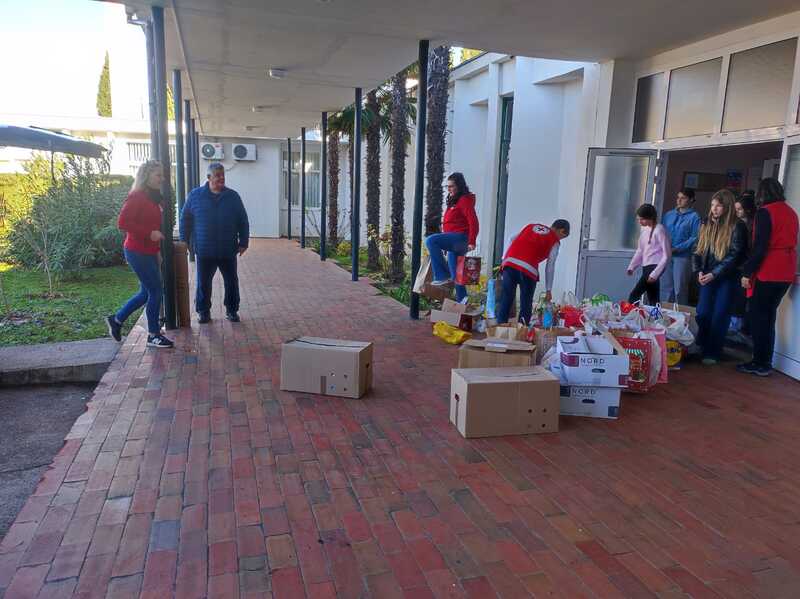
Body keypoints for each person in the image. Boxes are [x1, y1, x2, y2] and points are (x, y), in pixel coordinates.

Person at [106, 161, 174, 348]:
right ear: (146, 176)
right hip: (137, 252)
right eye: (158, 175)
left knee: (146, 293)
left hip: (149, 251)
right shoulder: (137, 196)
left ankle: (116, 320)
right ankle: (153, 335)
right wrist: (149, 233)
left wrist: (156, 251)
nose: (162, 178)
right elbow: (122, 223)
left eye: (162, 175)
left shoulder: (154, 197)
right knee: (156, 291)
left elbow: (153, 225)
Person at [737, 178, 799, 377]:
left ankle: (760, 362)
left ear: (762, 193)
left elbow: (760, 246)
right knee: (768, 317)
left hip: (769, 269)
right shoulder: (791, 212)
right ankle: (765, 361)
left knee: (759, 318)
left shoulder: (765, 212)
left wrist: (747, 272)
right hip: (786, 269)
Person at [180, 162, 250, 323]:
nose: (221, 178)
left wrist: (244, 242)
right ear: (208, 177)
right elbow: (185, 220)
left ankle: (232, 310)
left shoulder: (233, 197)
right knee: (203, 284)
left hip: (228, 249)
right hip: (204, 250)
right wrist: (184, 241)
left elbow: (243, 220)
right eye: (218, 175)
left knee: (231, 282)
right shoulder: (195, 196)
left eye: (223, 175)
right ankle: (203, 312)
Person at [692, 190, 748, 365]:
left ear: (727, 207)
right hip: (707, 274)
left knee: (720, 314)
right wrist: (698, 270)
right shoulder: (706, 222)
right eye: (712, 205)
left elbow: (735, 255)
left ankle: (713, 351)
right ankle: (702, 344)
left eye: (718, 205)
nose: (714, 209)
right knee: (702, 312)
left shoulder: (737, 226)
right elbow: (697, 248)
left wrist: (714, 273)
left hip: (727, 277)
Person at [497, 220, 570, 325]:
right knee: (526, 302)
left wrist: (504, 258)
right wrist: (548, 290)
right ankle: (522, 329)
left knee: (506, 298)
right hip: (529, 268)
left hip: (509, 263)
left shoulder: (531, 226)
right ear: (562, 231)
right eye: (563, 237)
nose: (560, 239)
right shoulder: (555, 241)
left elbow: (511, 238)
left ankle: (500, 328)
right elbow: (550, 266)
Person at [425, 172, 479, 302]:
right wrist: (445, 245)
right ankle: (463, 303)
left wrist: (472, 241)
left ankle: (442, 275)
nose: (449, 189)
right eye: (447, 186)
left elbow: (473, 221)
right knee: (457, 276)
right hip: (454, 241)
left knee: (431, 241)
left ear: (459, 186)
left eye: (452, 186)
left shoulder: (464, 200)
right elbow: (451, 224)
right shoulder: (454, 200)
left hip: (460, 239)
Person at [661, 188, 701, 305]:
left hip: (682, 256)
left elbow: (695, 238)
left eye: (683, 198)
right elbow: (662, 232)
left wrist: (677, 248)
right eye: (678, 197)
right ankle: (665, 312)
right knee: (665, 288)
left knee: (679, 289)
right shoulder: (669, 214)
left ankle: (681, 313)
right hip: (667, 255)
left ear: (691, 200)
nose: (679, 200)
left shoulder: (695, 217)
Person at [627, 204, 671, 305]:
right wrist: (632, 266)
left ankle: (633, 313)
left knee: (634, 296)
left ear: (650, 217)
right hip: (646, 267)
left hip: (654, 267)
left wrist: (655, 273)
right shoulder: (645, 230)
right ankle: (655, 314)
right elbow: (640, 250)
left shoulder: (659, 230)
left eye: (642, 219)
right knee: (653, 298)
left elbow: (667, 254)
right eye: (638, 219)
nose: (640, 222)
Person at [730, 190, 757, 335]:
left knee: (743, 299)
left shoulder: (754, 225)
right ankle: (735, 326)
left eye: (739, 209)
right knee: (736, 298)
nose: (737, 212)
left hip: (747, 267)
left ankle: (740, 328)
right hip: (736, 266)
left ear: (748, 210)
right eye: (736, 209)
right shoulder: (736, 224)